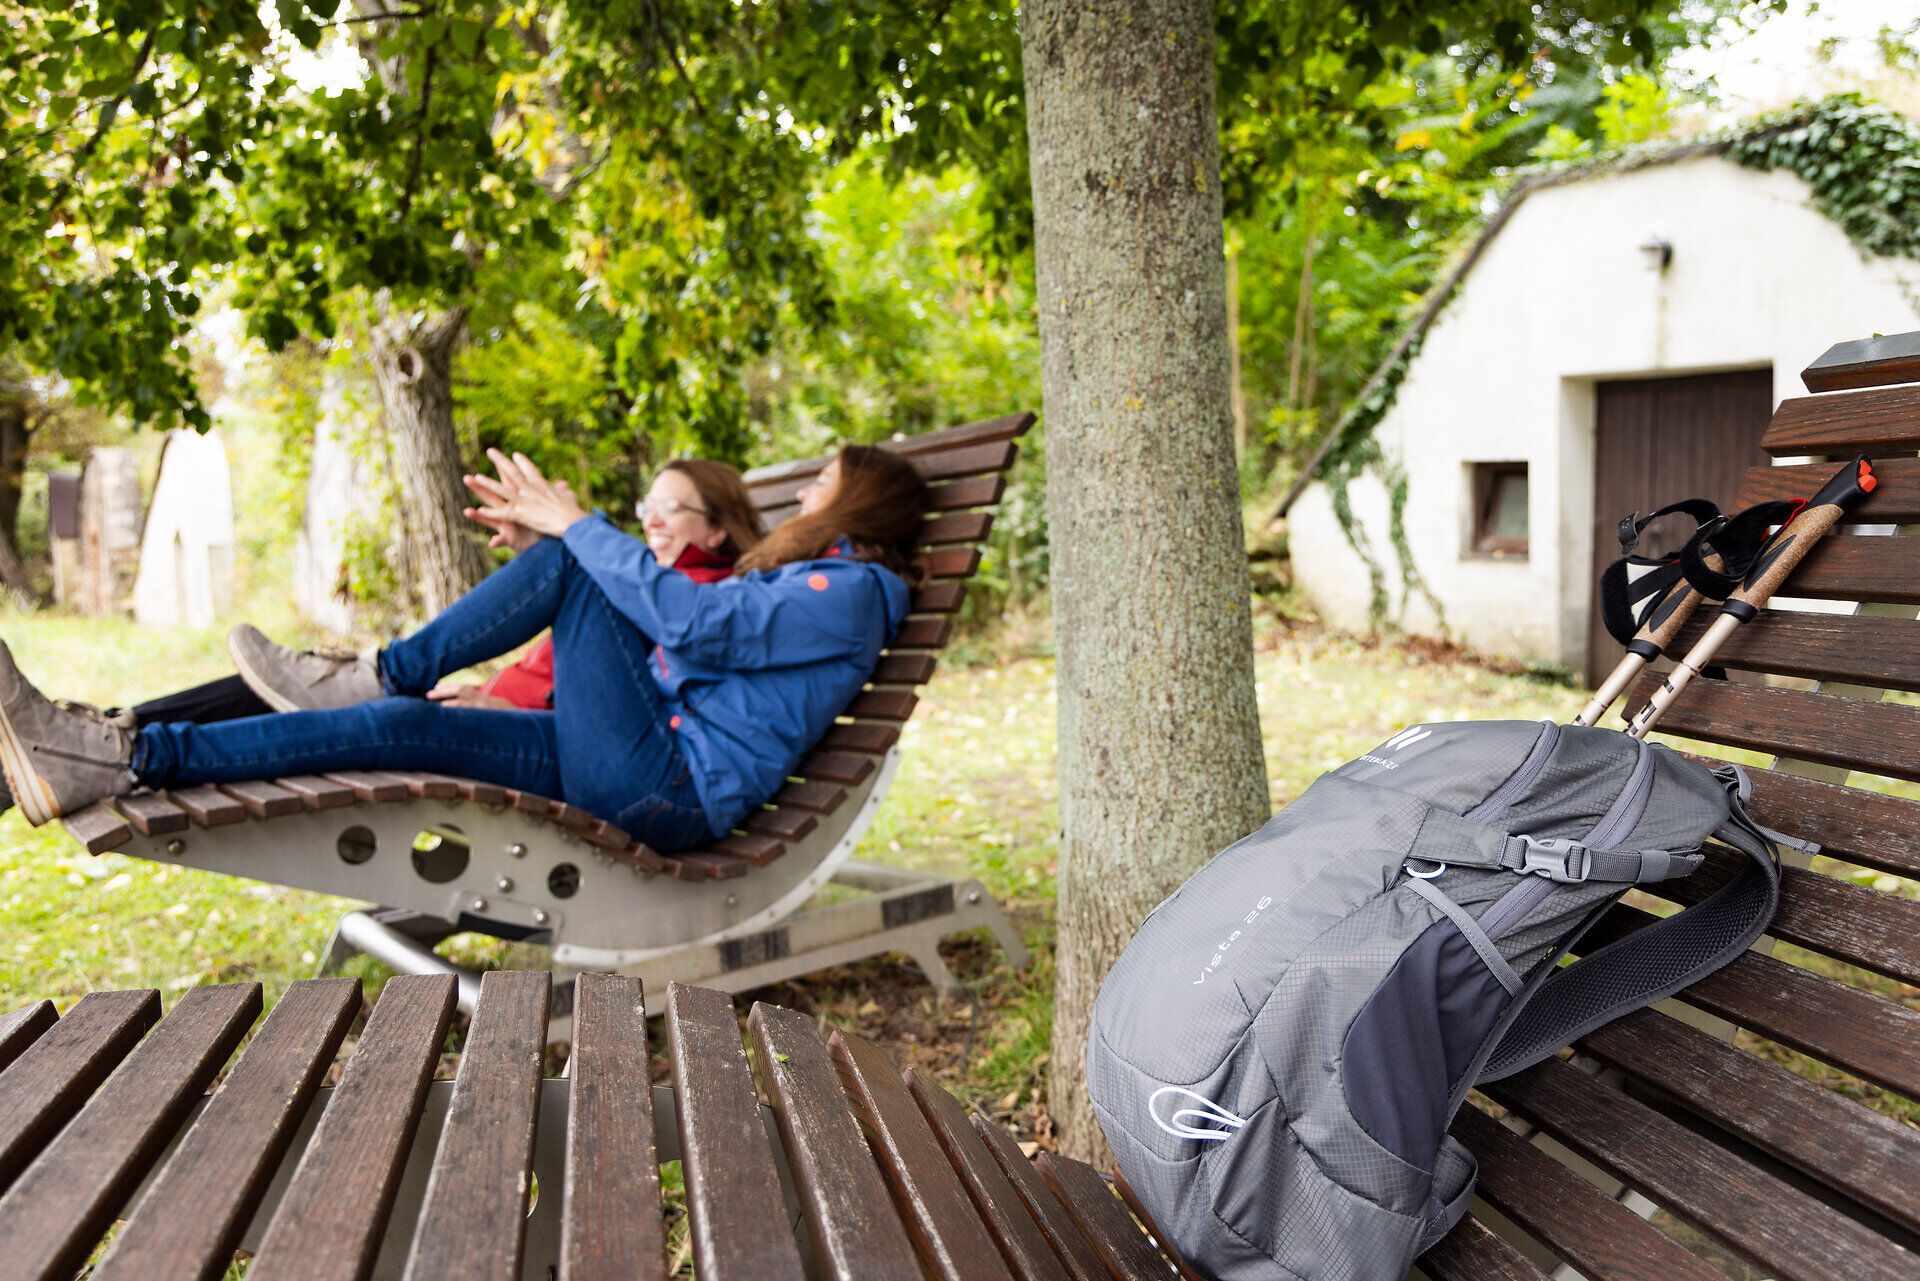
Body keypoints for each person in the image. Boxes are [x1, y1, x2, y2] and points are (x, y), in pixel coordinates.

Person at [0, 444, 929, 854]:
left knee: (573, 554)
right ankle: (121, 758)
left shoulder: (854, 594)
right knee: (398, 725)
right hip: (627, 756)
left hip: (667, 783)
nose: (808, 495)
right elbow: (684, 649)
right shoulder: (818, 588)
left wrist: (575, 530)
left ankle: (380, 665)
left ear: (859, 508)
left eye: (824, 485)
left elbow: (691, 628)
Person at [108, 458, 767, 726]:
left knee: (334, 700)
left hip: (521, 729)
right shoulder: (646, 580)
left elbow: (622, 701)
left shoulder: (695, 605)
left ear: (717, 525)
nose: (650, 518)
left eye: (672, 508)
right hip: (483, 699)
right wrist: (541, 561)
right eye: (647, 504)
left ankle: (128, 737)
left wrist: (503, 707)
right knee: (294, 686)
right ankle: (125, 726)